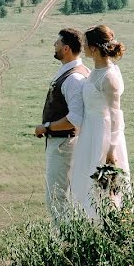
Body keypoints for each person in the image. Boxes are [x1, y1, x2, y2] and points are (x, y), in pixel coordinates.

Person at [70, 24, 131, 218]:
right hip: (89, 132)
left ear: (94, 49)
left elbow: (116, 116)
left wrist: (112, 150)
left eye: (86, 44)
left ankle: (108, 225)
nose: (83, 47)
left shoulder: (109, 77)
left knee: (104, 187)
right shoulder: (95, 71)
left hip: (103, 137)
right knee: (85, 182)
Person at [34, 28, 89, 223]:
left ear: (66, 48)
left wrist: (47, 127)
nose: (54, 46)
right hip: (61, 144)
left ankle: (65, 242)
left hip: (63, 145)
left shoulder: (74, 78)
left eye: (57, 43)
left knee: (57, 197)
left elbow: (75, 118)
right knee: (61, 196)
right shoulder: (73, 72)